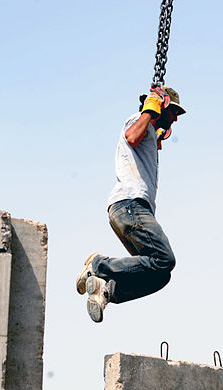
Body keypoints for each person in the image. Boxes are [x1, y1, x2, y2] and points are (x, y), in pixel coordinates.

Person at [76, 86, 185, 322]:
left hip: (131, 210)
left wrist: (158, 133)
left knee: (159, 275)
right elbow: (132, 137)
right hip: (130, 205)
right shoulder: (138, 120)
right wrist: (149, 111)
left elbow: (146, 142)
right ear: (160, 105)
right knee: (165, 259)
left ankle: (104, 290)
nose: (176, 117)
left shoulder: (149, 130)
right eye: (173, 110)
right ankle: (98, 265)